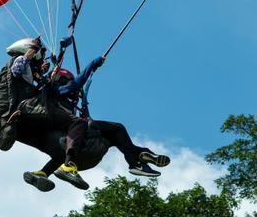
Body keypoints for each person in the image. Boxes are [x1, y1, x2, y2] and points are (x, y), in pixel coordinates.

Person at [19, 54, 170, 192]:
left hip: (59, 135)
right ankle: (134, 160)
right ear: (60, 79)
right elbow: (75, 84)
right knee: (111, 128)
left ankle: (42, 173)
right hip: (56, 126)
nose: (70, 86)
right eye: (67, 80)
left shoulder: (67, 102)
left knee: (94, 138)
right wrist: (93, 64)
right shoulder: (54, 90)